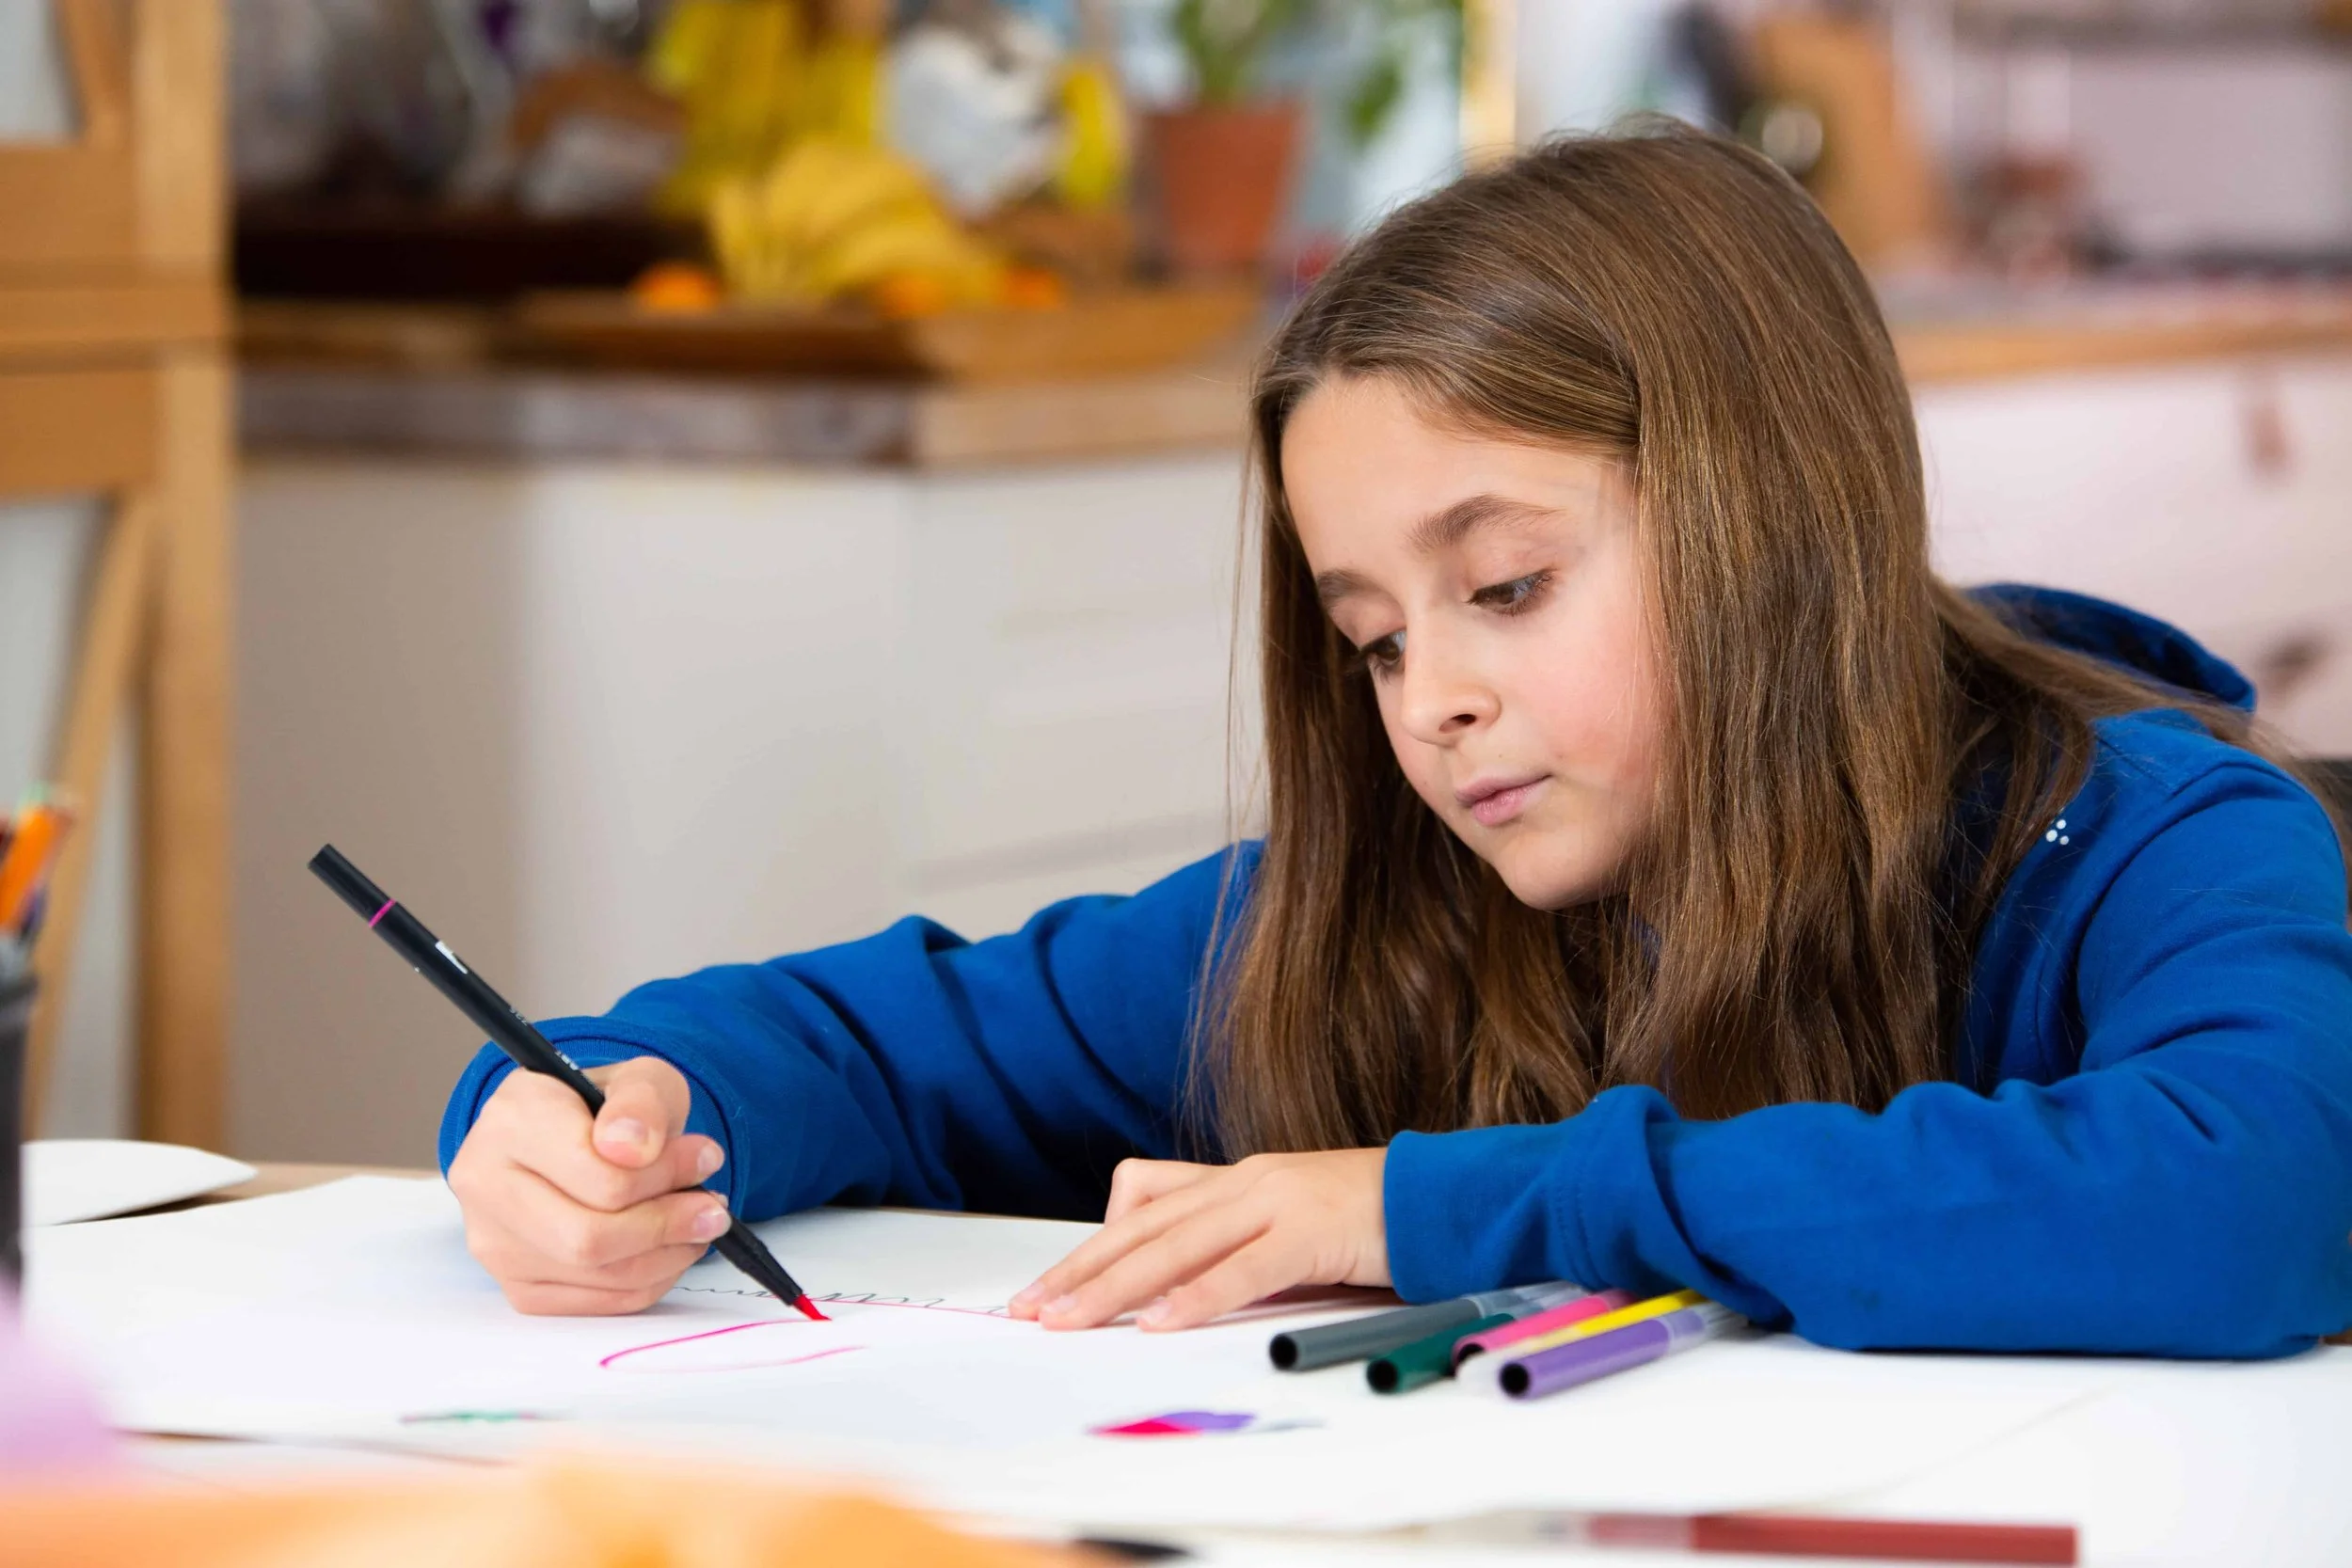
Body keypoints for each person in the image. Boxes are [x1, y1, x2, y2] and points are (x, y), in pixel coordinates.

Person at [438, 124, 2352, 1356]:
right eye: (1370, 635)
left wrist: (1416, 1203)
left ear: (1775, 523)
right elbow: (866, 1040)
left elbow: (2258, 1189)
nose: (1427, 699)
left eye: (1504, 584)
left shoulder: (2161, 840)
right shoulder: (1381, 905)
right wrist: (591, 1115)